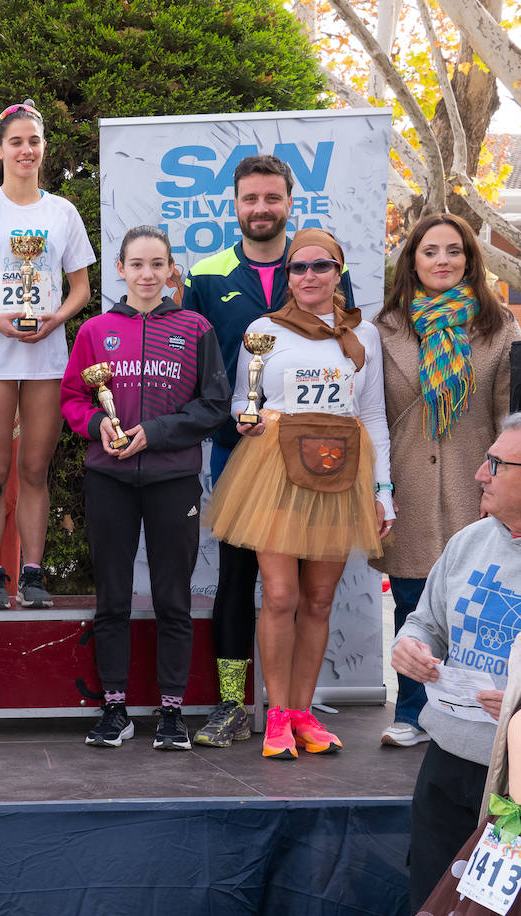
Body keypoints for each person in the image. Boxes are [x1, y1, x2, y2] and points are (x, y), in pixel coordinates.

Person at [182, 154, 358, 749]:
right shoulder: (205, 275)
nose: (261, 208)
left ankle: (294, 710)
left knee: (308, 589)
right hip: (240, 455)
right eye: (249, 199)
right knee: (237, 578)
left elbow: (345, 348)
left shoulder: (316, 263)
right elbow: (199, 372)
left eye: (272, 198)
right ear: (233, 205)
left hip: (320, 460)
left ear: (290, 201)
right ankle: (234, 704)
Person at [205, 227, 391, 760]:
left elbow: (373, 415)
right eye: (298, 268)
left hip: (342, 468)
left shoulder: (365, 336)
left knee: (319, 598)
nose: (309, 276)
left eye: (320, 266)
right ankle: (276, 714)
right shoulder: (263, 330)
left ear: (339, 272)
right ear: (287, 276)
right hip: (277, 467)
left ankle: (304, 714)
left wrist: (385, 491)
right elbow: (245, 397)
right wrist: (249, 419)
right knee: (281, 595)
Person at [60, 226, 230, 750]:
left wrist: (153, 435)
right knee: (111, 597)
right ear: (121, 269)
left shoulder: (195, 328)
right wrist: (99, 427)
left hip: (173, 480)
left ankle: (172, 712)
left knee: (172, 598)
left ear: (171, 270)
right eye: (137, 264)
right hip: (109, 478)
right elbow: (73, 398)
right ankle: (115, 709)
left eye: (158, 264)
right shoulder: (95, 331)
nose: (148, 274)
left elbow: (213, 406)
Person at [374, 213, 520, 749]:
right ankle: (414, 712)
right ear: (411, 259)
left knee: (477, 604)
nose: (442, 261)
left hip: (474, 484)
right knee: (415, 602)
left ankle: (483, 709)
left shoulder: (499, 327)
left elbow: (511, 420)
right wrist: (375, 490)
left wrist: (505, 488)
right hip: (407, 484)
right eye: (430, 251)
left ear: (469, 259)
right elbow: (372, 415)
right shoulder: (383, 329)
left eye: (453, 251)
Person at [0, 100, 96, 610]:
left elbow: (81, 287)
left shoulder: (62, 212)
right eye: (16, 141)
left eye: (34, 141)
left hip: (47, 354)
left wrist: (59, 318)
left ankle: (32, 573)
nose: (26, 149)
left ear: (43, 148)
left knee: (35, 468)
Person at [392, 415, 521, 910]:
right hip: (446, 764)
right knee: (432, 899)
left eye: (495, 465)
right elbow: (426, 623)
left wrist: (516, 703)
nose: (479, 475)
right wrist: (410, 646)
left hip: (513, 778)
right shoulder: (469, 541)